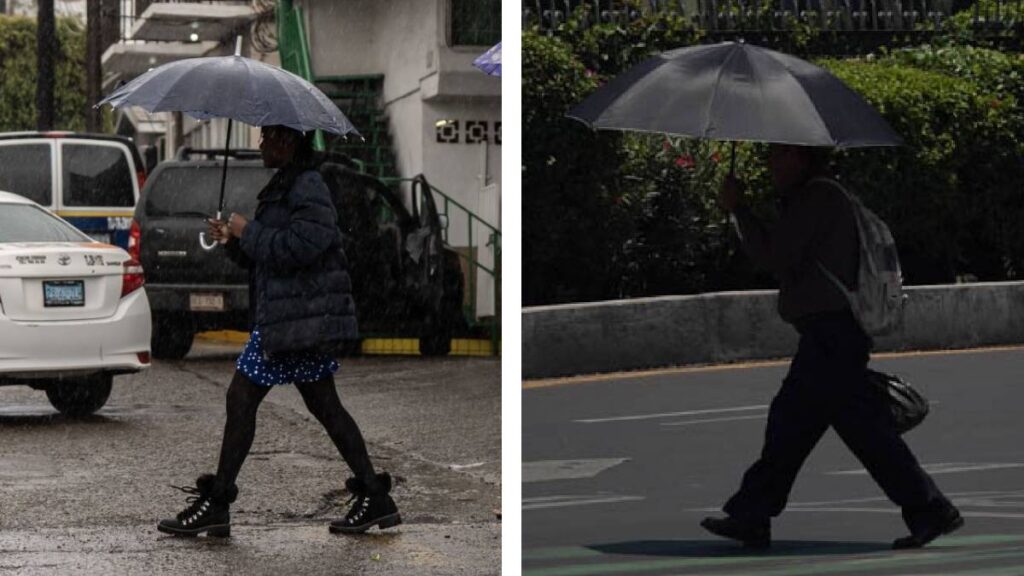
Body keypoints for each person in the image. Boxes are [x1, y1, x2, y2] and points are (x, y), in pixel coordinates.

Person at [701, 144, 962, 550]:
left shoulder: (819, 198)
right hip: (827, 335)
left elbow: (774, 255)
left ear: (802, 157)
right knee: (812, 425)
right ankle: (753, 511)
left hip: (832, 334)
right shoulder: (808, 198)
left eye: (779, 154)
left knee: (824, 427)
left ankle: (929, 508)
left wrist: (739, 210)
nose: (770, 162)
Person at [157, 125, 400, 538]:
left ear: (288, 142)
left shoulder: (309, 186)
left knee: (243, 399)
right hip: (289, 317)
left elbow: (301, 247)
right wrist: (234, 240)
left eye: (268, 136)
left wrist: (247, 230)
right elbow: (268, 257)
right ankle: (375, 496)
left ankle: (218, 503)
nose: (261, 143)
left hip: (296, 319)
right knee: (322, 406)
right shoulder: (286, 184)